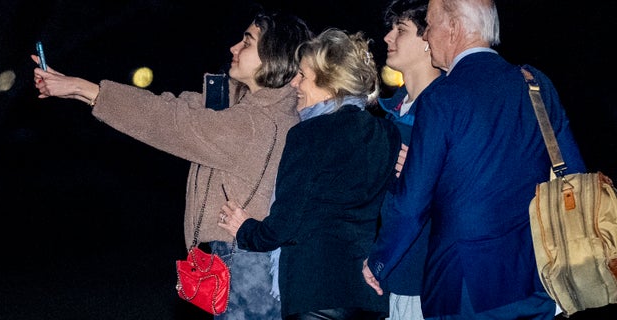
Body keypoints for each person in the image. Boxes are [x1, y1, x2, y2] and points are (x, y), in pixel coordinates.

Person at [32, 9, 313, 319]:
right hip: (235, 262)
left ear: (274, 55)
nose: (234, 48)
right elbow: (174, 108)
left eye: (247, 42)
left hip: (246, 268)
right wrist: (80, 93)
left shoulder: (256, 125)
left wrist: (83, 88)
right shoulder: (249, 112)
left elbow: (168, 123)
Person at [362, 0, 587, 319]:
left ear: (453, 27)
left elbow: (412, 204)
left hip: (463, 286)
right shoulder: (534, 82)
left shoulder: (442, 97)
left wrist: (379, 260)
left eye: (430, 23)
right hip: (535, 280)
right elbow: (574, 175)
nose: (427, 35)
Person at [217, 28, 400, 320]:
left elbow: (284, 224)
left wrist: (245, 230)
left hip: (315, 294)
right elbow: (393, 211)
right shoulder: (387, 133)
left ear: (330, 82)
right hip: (368, 296)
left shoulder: (309, 134)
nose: (294, 83)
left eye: (302, 75)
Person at [376, 1, 443, 319]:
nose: (388, 38)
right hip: (394, 273)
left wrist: (431, 173)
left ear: (429, 39)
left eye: (400, 30)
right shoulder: (395, 110)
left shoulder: (447, 110)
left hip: (428, 279)